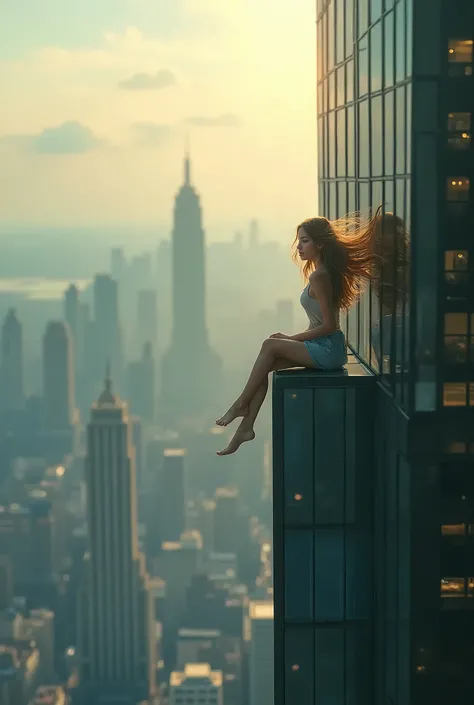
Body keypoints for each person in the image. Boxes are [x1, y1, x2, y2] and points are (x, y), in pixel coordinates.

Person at [215, 209, 383, 455]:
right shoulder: (320, 274)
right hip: (325, 347)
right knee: (268, 360)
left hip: (329, 351)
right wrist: (287, 340)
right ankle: (246, 428)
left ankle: (240, 405)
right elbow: (319, 325)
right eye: (299, 241)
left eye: (305, 241)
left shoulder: (320, 276)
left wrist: (289, 339)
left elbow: (329, 326)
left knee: (269, 345)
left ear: (319, 244)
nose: (299, 247)